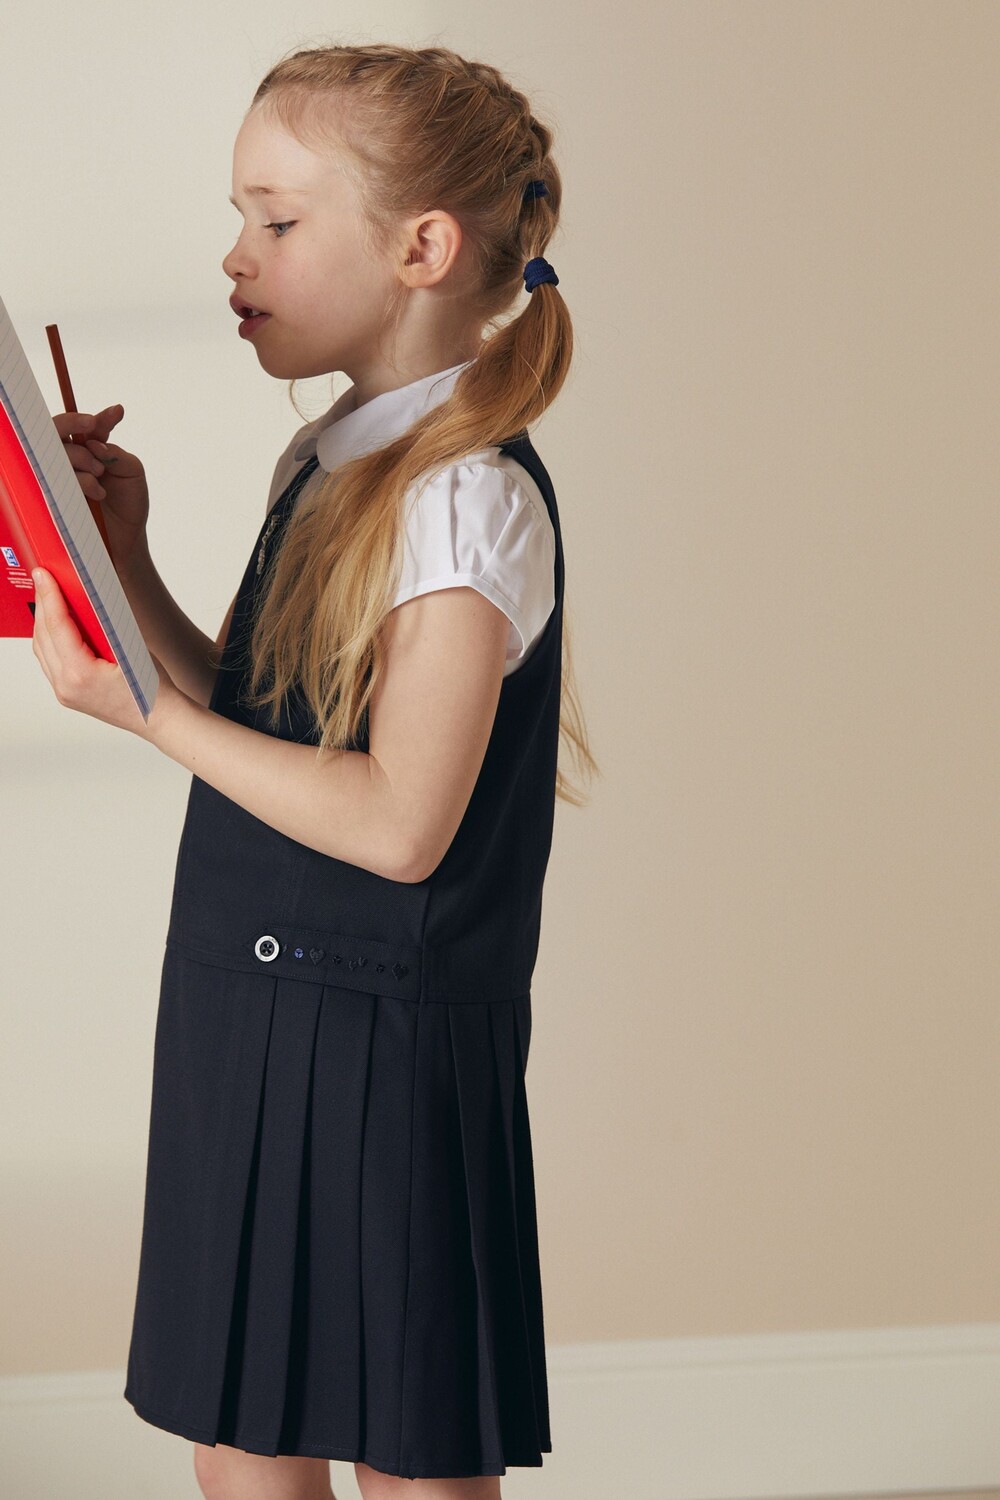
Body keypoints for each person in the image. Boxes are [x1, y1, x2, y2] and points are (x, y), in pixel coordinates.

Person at [31, 40, 598, 1500]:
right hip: (247, 1007)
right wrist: (123, 560)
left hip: (385, 1048)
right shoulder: (331, 461)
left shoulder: (464, 501)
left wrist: (139, 716)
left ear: (423, 248)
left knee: (408, 1452)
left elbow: (400, 825)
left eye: (277, 219)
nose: (237, 255)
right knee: (242, 1436)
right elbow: (269, 721)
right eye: (240, 217)